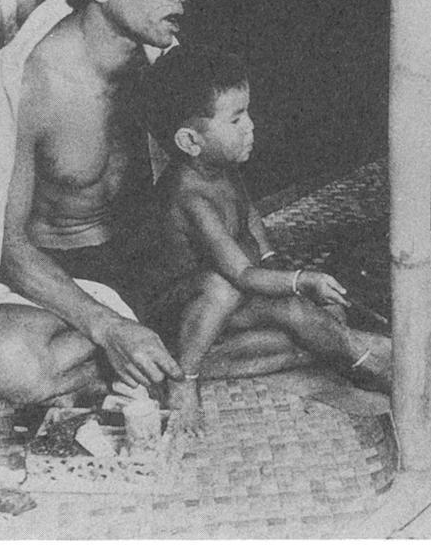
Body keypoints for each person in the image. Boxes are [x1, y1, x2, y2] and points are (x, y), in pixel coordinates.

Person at [0, 0, 190, 404]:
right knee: (5, 357)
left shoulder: (157, 62)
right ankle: (161, 353)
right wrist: (107, 327)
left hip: (138, 261)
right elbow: (10, 247)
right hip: (58, 278)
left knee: (248, 292)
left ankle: (144, 357)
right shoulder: (29, 84)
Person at [134, 45, 392, 406]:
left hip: (237, 304)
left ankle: (329, 351)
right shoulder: (191, 197)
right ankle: (184, 375)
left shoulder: (220, 168)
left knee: (324, 316)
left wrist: (273, 262)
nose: (250, 126)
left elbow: (249, 218)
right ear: (191, 141)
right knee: (279, 306)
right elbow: (238, 274)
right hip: (190, 313)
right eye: (236, 119)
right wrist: (300, 280)